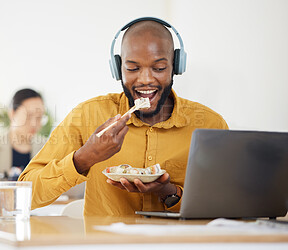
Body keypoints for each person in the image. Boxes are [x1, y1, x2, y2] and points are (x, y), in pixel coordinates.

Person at [18, 18, 228, 216]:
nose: (145, 79)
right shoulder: (88, 115)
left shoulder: (210, 125)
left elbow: (225, 207)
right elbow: (23, 196)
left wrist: (169, 192)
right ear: (118, 69)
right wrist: (85, 158)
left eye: (159, 68)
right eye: (133, 68)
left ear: (176, 66)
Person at [0, 88, 47, 194]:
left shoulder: (47, 147)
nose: (34, 123)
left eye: (39, 117)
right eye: (28, 116)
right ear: (12, 114)